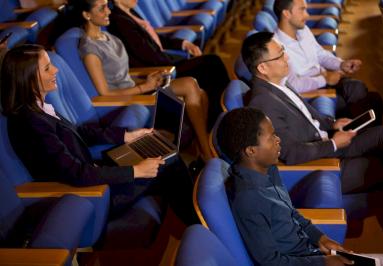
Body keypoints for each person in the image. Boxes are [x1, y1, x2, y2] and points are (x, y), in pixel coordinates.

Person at [0, 45, 198, 240]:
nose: (56, 70)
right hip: (90, 194)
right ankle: (200, 225)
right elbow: (75, 173)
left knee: (167, 163)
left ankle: (196, 223)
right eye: (46, 68)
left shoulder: (38, 107)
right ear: (27, 79)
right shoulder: (31, 122)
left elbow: (79, 132)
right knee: (169, 164)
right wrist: (136, 171)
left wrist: (127, 136)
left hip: (93, 176)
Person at [241, 31, 383, 252]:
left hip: (327, 140)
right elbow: (291, 153)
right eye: (279, 56)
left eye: (284, 52)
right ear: (262, 68)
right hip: (321, 159)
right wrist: (334, 143)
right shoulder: (263, 102)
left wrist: (333, 123)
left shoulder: (278, 84)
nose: (286, 58)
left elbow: (309, 116)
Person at [69, 0, 213, 161]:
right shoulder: (89, 49)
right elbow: (105, 92)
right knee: (190, 85)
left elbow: (122, 74)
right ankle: (206, 153)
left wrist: (144, 79)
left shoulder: (107, 37)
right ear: (86, 14)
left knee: (202, 93)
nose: (108, 11)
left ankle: (198, 150)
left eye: (107, 6)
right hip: (128, 99)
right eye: (101, 8)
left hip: (138, 88)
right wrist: (143, 87)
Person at [217, 107, 353, 265]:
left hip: (310, 252)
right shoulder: (249, 199)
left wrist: (321, 238)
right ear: (251, 150)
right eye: (271, 137)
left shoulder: (268, 168)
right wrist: (323, 263)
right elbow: (271, 261)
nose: (278, 139)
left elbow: (291, 213)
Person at [107, 0, 231, 128]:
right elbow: (146, 54)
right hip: (158, 70)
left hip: (167, 62)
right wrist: (176, 63)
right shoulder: (118, 20)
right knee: (210, 64)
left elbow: (155, 39)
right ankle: (223, 116)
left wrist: (183, 43)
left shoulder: (131, 11)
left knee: (210, 65)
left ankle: (222, 114)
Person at [273, 0, 383, 123]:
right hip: (310, 91)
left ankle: (365, 134)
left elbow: (320, 54)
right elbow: (292, 85)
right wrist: (324, 79)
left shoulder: (303, 30)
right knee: (359, 99)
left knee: (367, 94)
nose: (307, 15)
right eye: (302, 9)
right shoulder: (275, 46)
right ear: (286, 14)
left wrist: (340, 64)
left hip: (325, 79)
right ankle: (359, 135)